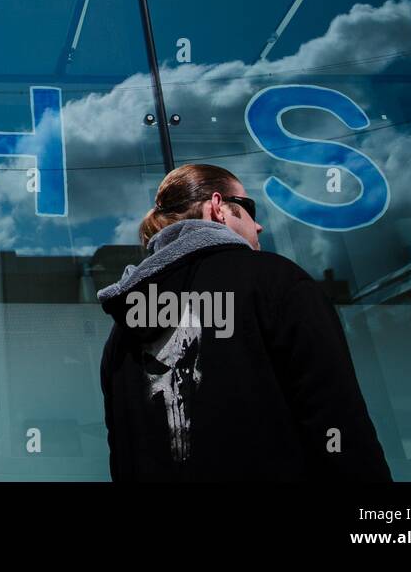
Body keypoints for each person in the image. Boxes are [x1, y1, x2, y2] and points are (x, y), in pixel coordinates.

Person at [97, 163, 391, 481]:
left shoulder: (122, 330)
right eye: (249, 207)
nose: (260, 225)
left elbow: (124, 458)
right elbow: (338, 425)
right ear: (217, 207)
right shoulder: (275, 282)